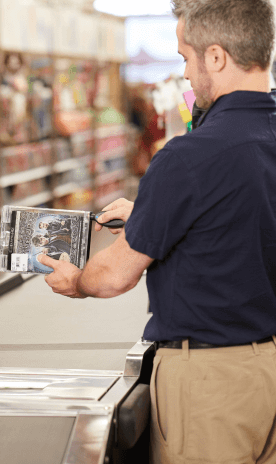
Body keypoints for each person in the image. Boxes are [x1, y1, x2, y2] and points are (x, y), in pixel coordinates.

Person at [38, 0, 276, 462]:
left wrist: (77, 280)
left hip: (210, 383)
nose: (184, 74)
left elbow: (113, 276)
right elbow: (242, 218)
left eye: (186, 57)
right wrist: (154, 211)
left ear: (216, 57)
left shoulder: (189, 156)